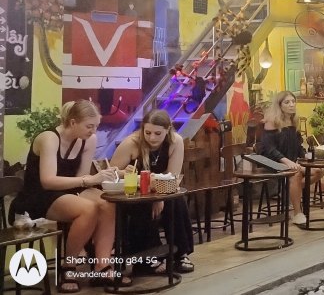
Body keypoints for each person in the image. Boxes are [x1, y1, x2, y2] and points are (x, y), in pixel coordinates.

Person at [9, 100, 121, 292]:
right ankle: (69, 266)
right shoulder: (49, 138)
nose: (93, 131)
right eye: (89, 126)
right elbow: (48, 181)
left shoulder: (88, 140)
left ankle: (102, 265)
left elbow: (81, 177)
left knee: (107, 201)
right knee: (88, 208)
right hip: (39, 196)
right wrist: (90, 180)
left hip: (68, 191)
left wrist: (98, 179)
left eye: (96, 126)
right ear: (72, 122)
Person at [111, 109, 194, 275]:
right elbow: (111, 173)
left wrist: (158, 197)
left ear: (168, 130)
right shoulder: (131, 143)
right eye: (147, 132)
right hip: (134, 193)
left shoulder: (175, 142)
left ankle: (180, 253)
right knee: (142, 205)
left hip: (162, 190)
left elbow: (173, 177)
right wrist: (124, 173)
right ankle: (147, 258)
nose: (152, 138)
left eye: (158, 133)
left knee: (176, 200)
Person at [257, 91, 324, 226]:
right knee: (296, 174)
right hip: (273, 162)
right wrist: (286, 161)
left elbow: (297, 144)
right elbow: (269, 148)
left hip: (291, 162)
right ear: (279, 105)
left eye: (293, 102)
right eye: (287, 102)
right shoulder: (272, 121)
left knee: (319, 171)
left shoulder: (294, 121)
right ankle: (297, 213)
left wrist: (305, 155)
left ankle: (291, 190)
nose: (291, 105)